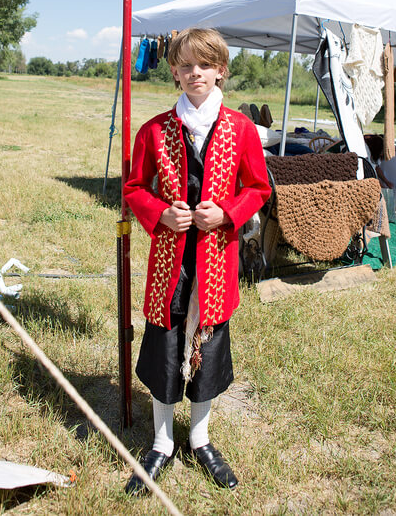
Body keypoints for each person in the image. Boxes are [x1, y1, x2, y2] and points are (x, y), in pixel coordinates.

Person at [123, 28, 271, 495]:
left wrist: (227, 212)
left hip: (216, 259)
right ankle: (163, 441)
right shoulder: (154, 130)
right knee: (165, 345)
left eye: (204, 65)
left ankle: (200, 437)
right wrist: (160, 212)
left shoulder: (241, 129)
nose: (194, 73)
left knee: (207, 348)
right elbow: (133, 188)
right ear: (173, 71)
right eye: (185, 65)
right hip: (170, 258)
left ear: (221, 70)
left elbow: (259, 189)